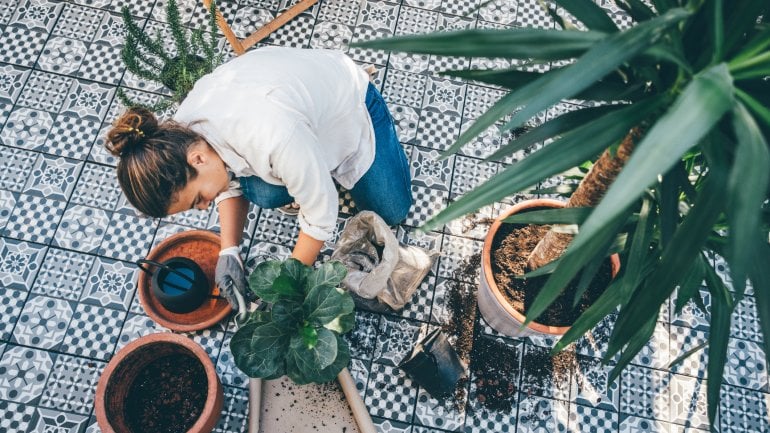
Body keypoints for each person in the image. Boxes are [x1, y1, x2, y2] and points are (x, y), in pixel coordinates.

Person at [106, 47, 413, 315]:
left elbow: (321, 217)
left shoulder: (272, 135)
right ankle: (306, 169)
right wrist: (229, 250)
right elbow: (224, 178)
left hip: (351, 107)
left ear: (197, 160)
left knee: (392, 209)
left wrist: (284, 287)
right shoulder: (182, 134)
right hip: (299, 122)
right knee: (263, 192)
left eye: (197, 199)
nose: (202, 209)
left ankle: (367, 125)